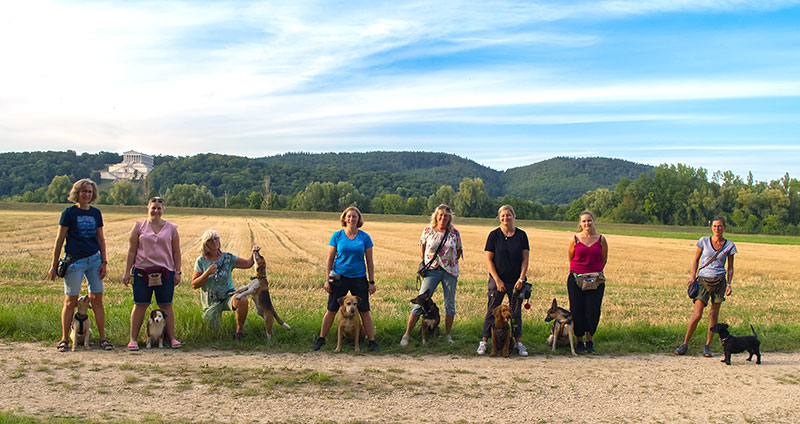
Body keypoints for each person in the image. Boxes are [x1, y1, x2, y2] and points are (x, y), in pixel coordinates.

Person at [47, 178, 112, 352]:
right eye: (84, 191)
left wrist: (104, 261)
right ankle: (64, 339)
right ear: (77, 193)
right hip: (74, 261)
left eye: (90, 191)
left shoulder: (96, 213)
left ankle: (102, 339)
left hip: (94, 260)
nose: (87, 194)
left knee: (97, 300)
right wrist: (54, 265)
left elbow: (100, 238)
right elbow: (59, 240)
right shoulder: (68, 213)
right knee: (70, 301)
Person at [312, 206, 380, 352]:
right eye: (349, 216)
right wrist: (327, 280)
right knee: (331, 309)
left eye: (354, 216)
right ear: (344, 219)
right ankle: (321, 339)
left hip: (359, 277)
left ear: (358, 219)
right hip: (338, 277)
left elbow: (370, 261)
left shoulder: (365, 237)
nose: (351, 219)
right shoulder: (337, 236)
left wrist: (371, 281)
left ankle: (372, 341)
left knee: (364, 310)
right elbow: (330, 259)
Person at [122, 196, 182, 351]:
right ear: (148, 208)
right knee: (140, 305)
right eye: (153, 208)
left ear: (163, 210)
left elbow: (176, 253)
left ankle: (172, 338)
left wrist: (178, 271)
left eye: (159, 208)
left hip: (165, 272)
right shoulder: (138, 227)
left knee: (166, 305)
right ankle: (133, 339)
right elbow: (131, 251)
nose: (156, 211)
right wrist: (127, 272)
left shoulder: (171, 229)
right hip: (142, 272)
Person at [400, 204, 463, 346]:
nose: (443, 217)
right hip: (432, 270)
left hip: (450, 272)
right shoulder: (428, 231)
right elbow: (422, 246)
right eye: (440, 215)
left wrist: (449, 262)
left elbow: (458, 250)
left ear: (449, 218)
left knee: (450, 304)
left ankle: (447, 335)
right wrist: (424, 262)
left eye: (446, 215)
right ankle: (406, 335)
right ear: (436, 216)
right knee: (420, 301)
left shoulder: (454, 232)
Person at [674, 216, 737, 357]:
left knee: (713, 315)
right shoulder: (703, 241)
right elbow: (695, 260)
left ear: (724, 228)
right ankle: (685, 344)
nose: (717, 229)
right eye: (715, 226)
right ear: (711, 227)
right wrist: (692, 276)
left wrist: (730, 284)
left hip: (720, 282)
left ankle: (707, 346)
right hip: (703, 281)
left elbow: (730, 267)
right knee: (697, 315)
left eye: (720, 226)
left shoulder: (729, 246)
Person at [477, 204, 530, 356]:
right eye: (503, 215)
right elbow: (489, 260)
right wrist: (497, 280)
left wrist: (521, 279)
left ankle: (518, 343)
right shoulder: (494, 235)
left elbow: (525, 259)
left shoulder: (521, 235)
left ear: (514, 216)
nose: (505, 218)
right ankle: (484, 342)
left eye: (508, 215)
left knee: (515, 312)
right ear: (499, 218)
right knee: (492, 311)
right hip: (497, 279)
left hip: (516, 281)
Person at [191, 229, 260, 341]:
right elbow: (194, 284)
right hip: (211, 302)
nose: (214, 241)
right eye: (211, 239)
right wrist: (207, 273)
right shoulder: (201, 261)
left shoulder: (228, 258)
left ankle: (239, 332)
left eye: (216, 238)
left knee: (241, 300)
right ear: (205, 244)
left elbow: (248, 264)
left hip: (228, 295)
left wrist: (254, 253)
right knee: (214, 335)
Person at [567, 210, 608, 354]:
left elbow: (604, 259)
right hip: (576, 279)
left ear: (593, 221)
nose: (587, 223)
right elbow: (571, 258)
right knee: (577, 310)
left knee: (592, 310)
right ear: (580, 223)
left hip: (595, 281)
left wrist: (595, 272)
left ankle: (589, 340)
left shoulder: (601, 239)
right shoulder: (575, 239)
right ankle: (579, 340)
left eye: (589, 220)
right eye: (584, 221)